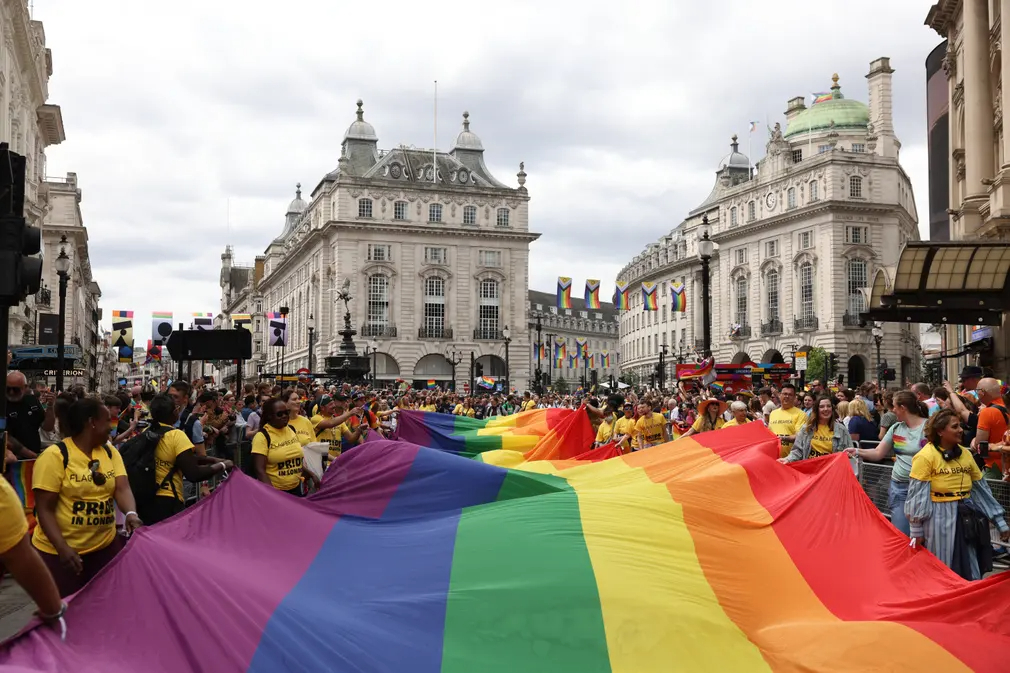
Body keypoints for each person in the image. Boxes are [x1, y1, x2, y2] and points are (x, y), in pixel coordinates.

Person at [31, 397, 140, 597]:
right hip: (60, 554)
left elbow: (122, 488)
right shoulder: (55, 456)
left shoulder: (109, 452)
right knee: (67, 612)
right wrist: (62, 548)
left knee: (107, 606)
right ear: (92, 422)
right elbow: (44, 509)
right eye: (107, 420)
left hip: (104, 548)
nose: (111, 426)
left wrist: (131, 514)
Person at [905, 409, 1009, 580]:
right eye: (955, 426)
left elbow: (981, 490)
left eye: (960, 425)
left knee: (972, 564)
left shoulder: (965, 453)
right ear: (940, 431)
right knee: (942, 565)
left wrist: (999, 522)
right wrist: (916, 531)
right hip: (938, 516)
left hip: (967, 515)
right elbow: (917, 496)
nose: (961, 430)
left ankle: (970, 597)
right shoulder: (925, 457)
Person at [846, 391, 928, 536]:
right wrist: (857, 451)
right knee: (901, 534)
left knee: (924, 536)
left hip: (924, 487)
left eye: (895, 407)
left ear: (903, 407)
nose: (893, 410)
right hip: (899, 488)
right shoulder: (896, 428)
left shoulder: (928, 428)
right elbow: (878, 453)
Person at [143, 394, 232, 524]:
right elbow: (193, 473)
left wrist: (213, 460)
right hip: (168, 498)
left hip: (147, 496)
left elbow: (184, 458)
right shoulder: (176, 435)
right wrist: (223, 466)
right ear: (175, 412)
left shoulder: (146, 431)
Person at [252, 398, 319, 496]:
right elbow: (259, 470)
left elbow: (295, 461)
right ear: (270, 416)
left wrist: (311, 474)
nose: (285, 416)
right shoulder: (262, 437)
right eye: (280, 414)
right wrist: (273, 494)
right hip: (276, 492)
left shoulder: (291, 430)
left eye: (286, 412)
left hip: (297, 490)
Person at [779, 396, 853, 463]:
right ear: (816, 410)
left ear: (832, 409)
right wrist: (787, 459)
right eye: (821, 406)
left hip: (831, 472)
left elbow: (850, 452)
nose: (826, 409)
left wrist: (848, 455)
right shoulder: (806, 429)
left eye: (828, 406)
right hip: (810, 472)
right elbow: (798, 451)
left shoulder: (841, 430)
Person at [6, 371, 55, 459]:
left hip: (33, 455)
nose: (11, 392)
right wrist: (29, 454)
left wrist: (50, 407)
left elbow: (47, 427)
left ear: (25, 388)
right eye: (8, 389)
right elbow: (5, 436)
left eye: (16, 389)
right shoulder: (3, 404)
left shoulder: (32, 401)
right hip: (11, 458)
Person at [768, 383, 806, 458]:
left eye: (790, 394)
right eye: (785, 394)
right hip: (773, 458)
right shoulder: (773, 413)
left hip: (791, 459)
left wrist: (781, 438)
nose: (787, 396)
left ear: (794, 397)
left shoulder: (801, 414)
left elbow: (800, 437)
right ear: (780, 395)